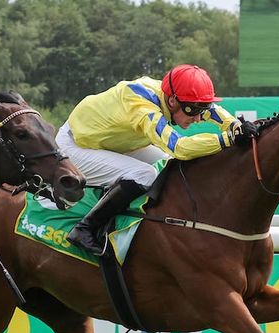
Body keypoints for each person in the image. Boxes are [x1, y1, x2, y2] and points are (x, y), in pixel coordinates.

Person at [57, 64, 259, 255]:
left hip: (113, 141)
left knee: (168, 163)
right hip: (76, 147)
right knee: (145, 174)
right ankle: (84, 229)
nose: (198, 118)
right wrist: (228, 138)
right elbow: (180, 147)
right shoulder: (142, 106)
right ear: (172, 101)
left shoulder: (174, 96)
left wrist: (233, 125)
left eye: (201, 110)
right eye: (194, 111)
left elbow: (210, 110)